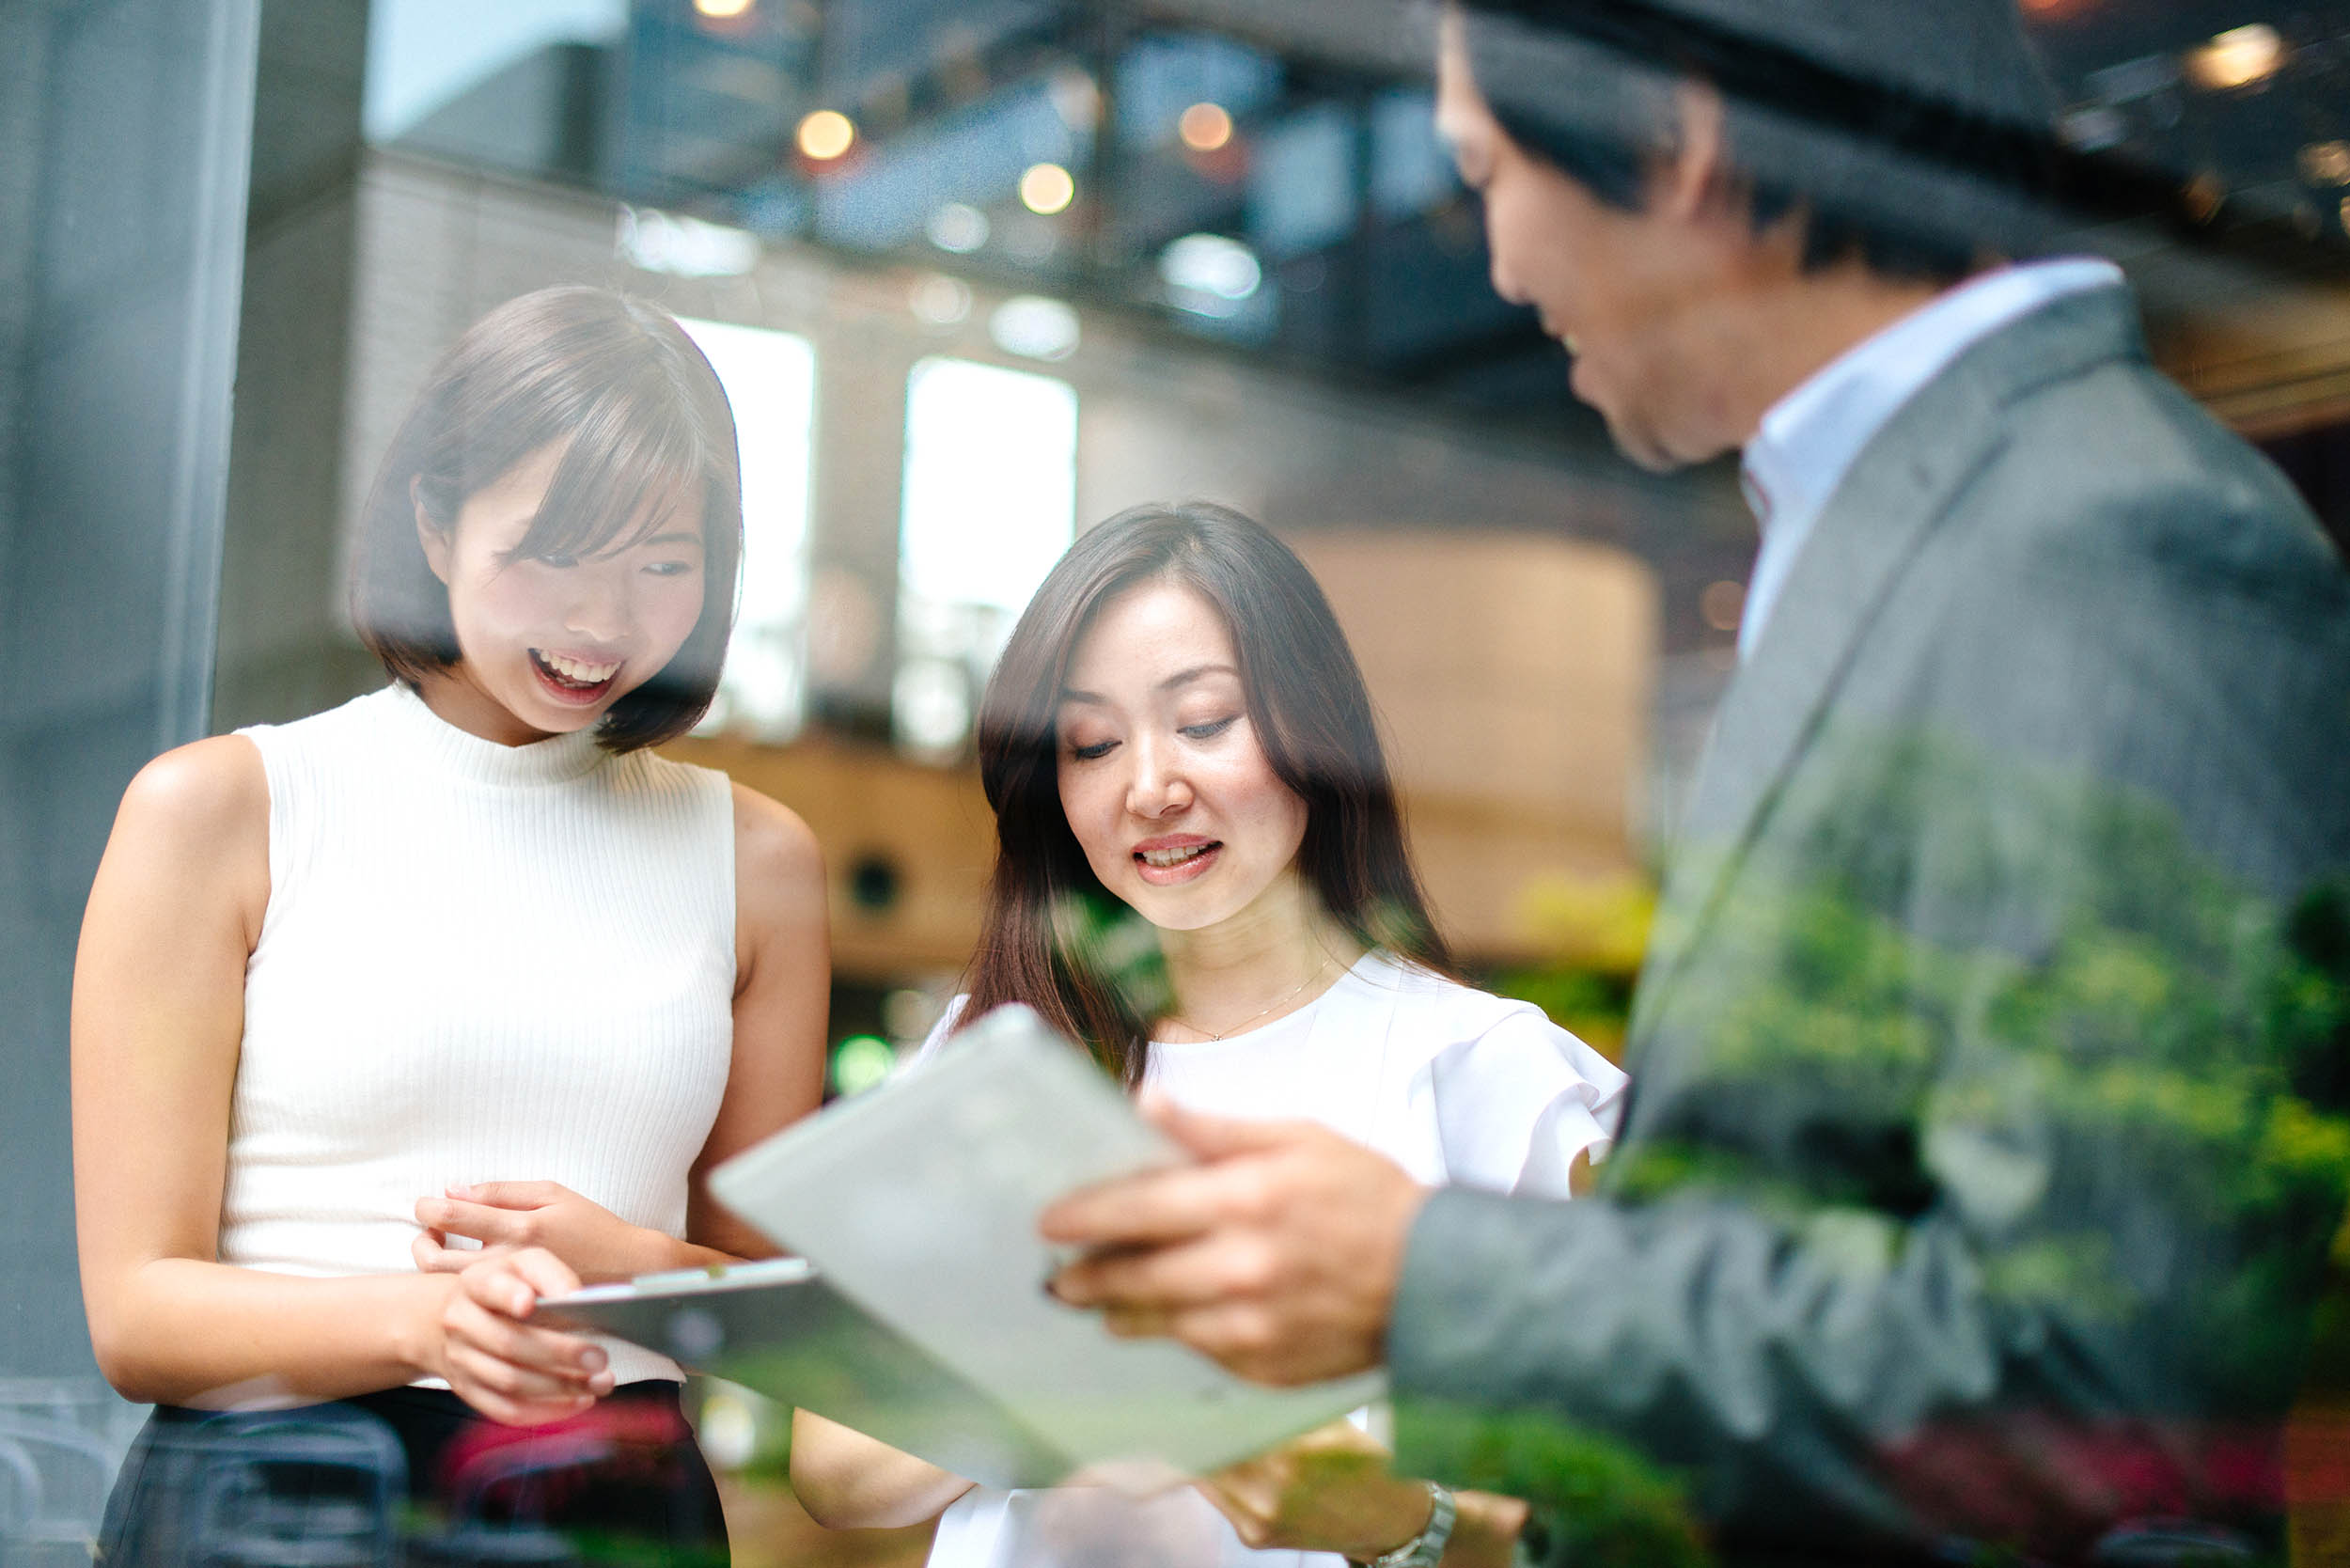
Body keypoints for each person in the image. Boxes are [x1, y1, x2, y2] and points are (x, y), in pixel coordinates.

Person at [1039, 4, 2350, 1564]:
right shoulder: (1898, 528)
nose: (1502, 266)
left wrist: (1429, 1281)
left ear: (1680, 135)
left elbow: (2098, 1368)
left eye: (1487, 173)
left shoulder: (2110, 537)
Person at [73, 286, 830, 1564]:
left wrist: (631, 1264)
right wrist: (426, 1323)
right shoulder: (221, 810)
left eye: (662, 565)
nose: (601, 621)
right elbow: (137, 1311)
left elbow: (791, 1318)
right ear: (433, 522)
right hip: (282, 1502)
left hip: (616, 1505)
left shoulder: (758, 861)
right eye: (551, 551)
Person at [790, 502, 1627, 1568]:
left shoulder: (1485, 1068)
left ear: (1312, 731)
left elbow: (1622, 1508)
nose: (1149, 788)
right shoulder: (996, 1052)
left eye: (1204, 721)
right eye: (1090, 742)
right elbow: (834, 1472)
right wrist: (1083, 1354)